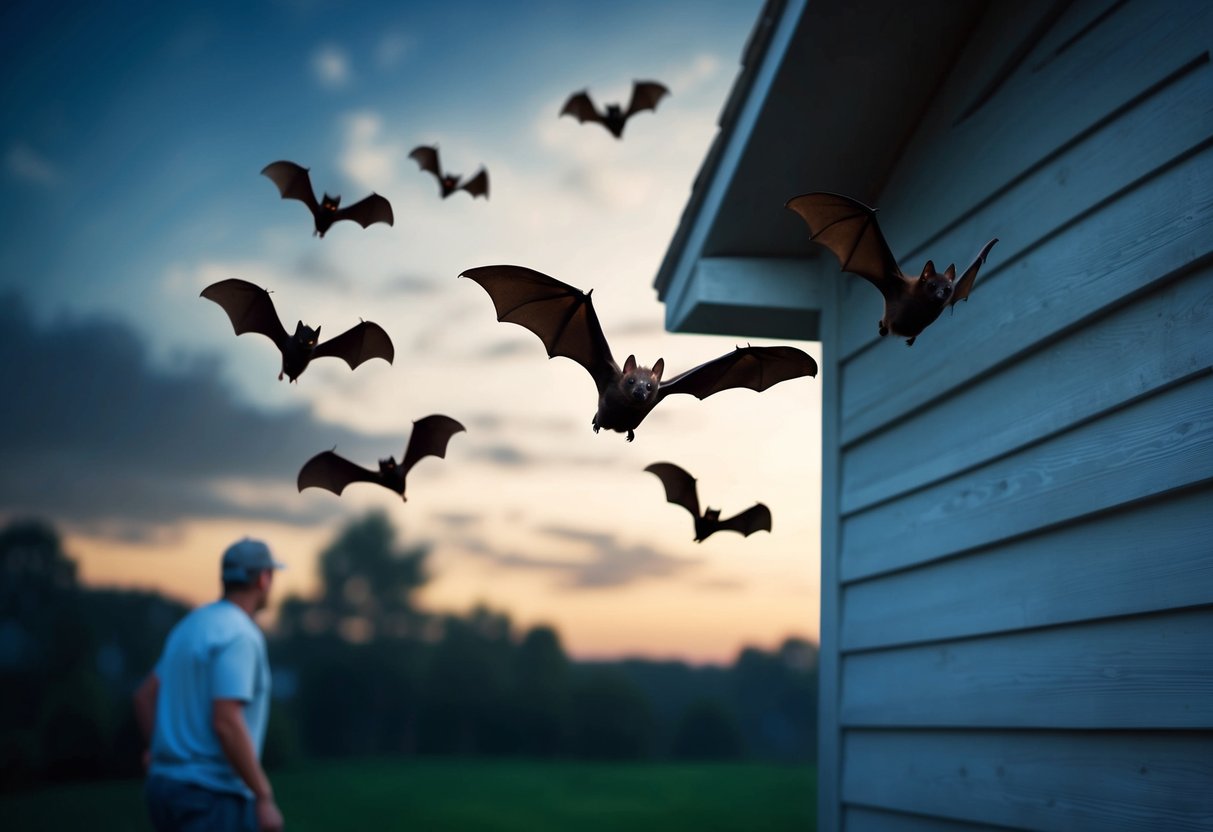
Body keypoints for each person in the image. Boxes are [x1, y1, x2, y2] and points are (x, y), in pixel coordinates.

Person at [133, 537, 287, 832]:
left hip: (163, 788)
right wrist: (264, 796)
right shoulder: (240, 634)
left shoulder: (191, 626)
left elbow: (144, 696)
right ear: (264, 579)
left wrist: (163, 751)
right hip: (211, 798)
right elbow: (226, 721)